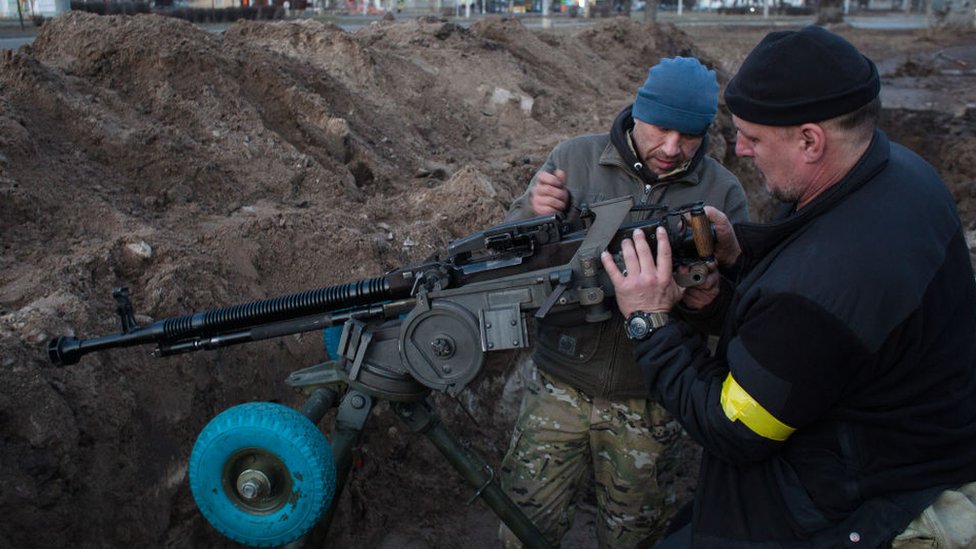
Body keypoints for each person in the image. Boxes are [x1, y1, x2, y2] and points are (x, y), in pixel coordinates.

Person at [601, 26, 976, 547]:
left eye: (752, 137)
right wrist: (742, 253)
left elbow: (734, 428)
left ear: (810, 139)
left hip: (849, 500)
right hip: (895, 446)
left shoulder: (830, 282)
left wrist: (649, 321)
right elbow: (808, 296)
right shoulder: (903, 174)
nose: (740, 150)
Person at [499, 57, 749, 548]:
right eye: (661, 129)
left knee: (635, 535)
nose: (672, 148)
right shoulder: (575, 159)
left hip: (653, 403)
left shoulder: (723, 192)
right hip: (559, 386)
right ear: (637, 111)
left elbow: (741, 309)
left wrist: (706, 300)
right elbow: (509, 259)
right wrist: (532, 214)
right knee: (524, 526)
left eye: (690, 136)